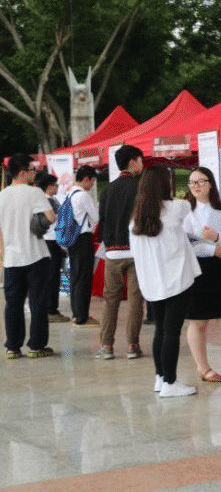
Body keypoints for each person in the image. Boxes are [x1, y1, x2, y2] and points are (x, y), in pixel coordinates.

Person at [130, 164, 201, 397]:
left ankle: (160, 378)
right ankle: (171, 382)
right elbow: (189, 205)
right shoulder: (175, 207)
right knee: (172, 332)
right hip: (176, 280)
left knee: (160, 330)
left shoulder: (135, 220)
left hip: (152, 284)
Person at [183, 167, 221, 384]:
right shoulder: (185, 213)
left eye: (200, 181)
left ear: (210, 184)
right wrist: (212, 248)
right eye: (192, 182)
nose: (196, 185)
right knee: (198, 322)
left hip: (220, 269)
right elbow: (185, 243)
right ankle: (203, 368)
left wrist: (216, 236)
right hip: (196, 269)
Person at [0, 154, 55, 359]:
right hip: (36, 256)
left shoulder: (2, 196)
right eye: (32, 170)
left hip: (12, 258)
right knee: (38, 301)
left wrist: (3, 254)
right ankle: (36, 346)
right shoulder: (34, 193)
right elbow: (51, 217)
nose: (34, 173)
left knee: (12, 303)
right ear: (22, 172)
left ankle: (13, 347)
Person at [97, 145, 146, 360]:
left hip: (113, 253)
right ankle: (132, 346)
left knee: (111, 299)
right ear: (133, 162)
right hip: (136, 251)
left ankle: (106, 346)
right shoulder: (140, 187)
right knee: (136, 299)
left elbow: (102, 222)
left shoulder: (107, 190)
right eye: (141, 160)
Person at [65, 165, 99, 327]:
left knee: (76, 277)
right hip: (83, 239)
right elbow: (96, 216)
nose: (91, 185)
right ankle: (82, 317)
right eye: (92, 182)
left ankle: (76, 313)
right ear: (87, 179)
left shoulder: (69, 193)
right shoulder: (83, 195)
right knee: (84, 277)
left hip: (72, 239)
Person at [35, 173, 68, 323]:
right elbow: (56, 225)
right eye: (56, 185)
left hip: (50, 242)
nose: (57, 187)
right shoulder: (47, 202)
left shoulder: (49, 200)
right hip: (51, 242)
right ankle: (50, 309)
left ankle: (51, 308)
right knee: (52, 277)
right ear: (49, 186)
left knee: (53, 276)